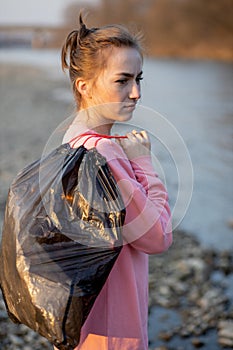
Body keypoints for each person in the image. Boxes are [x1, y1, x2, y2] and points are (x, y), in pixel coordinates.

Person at [58, 13, 173, 350]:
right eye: (122, 80)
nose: (136, 92)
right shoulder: (105, 153)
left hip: (81, 323)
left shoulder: (72, 140)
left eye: (138, 78)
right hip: (114, 331)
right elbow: (158, 237)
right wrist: (143, 163)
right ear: (85, 86)